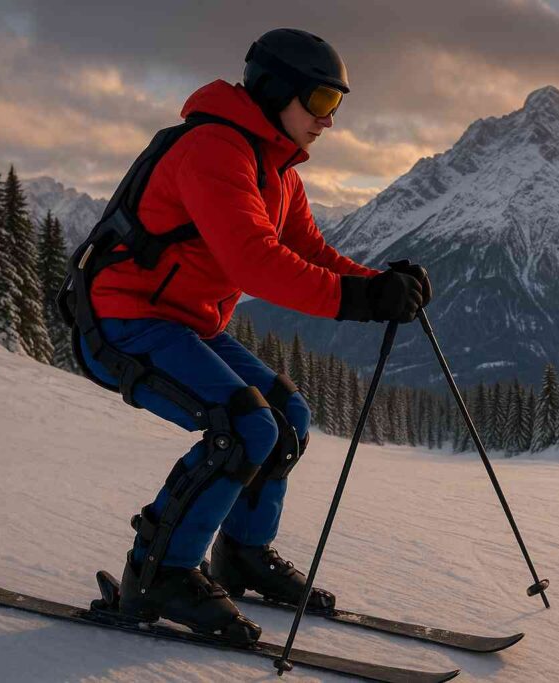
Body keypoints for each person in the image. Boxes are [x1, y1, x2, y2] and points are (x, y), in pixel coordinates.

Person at [77, 28, 433, 642]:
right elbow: (256, 262)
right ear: (275, 92)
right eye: (321, 101)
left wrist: (381, 283)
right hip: (121, 320)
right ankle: (160, 571)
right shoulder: (215, 149)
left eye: (337, 105)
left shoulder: (277, 171)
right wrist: (363, 300)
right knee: (243, 424)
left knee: (288, 413)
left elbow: (308, 250)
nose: (330, 120)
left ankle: (241, 554)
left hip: (185, 321)